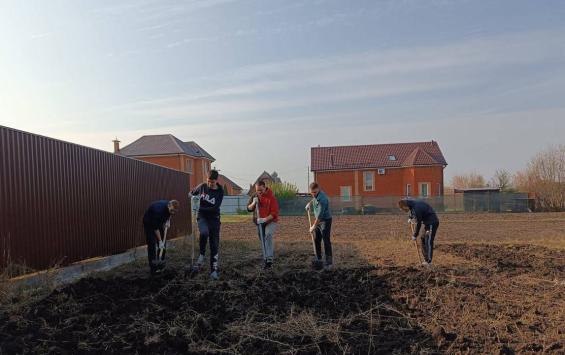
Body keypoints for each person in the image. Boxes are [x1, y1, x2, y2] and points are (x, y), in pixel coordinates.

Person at [190, 170, 224, 280]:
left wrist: (199, 207)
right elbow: (191, 193)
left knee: (214, 244)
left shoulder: (220, 191)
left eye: (212, 182)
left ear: (216, 181)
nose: (209, 184)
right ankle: (202, 255)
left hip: (214, 218)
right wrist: (193, 198)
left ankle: (214, 271)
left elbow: (215, 207)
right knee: (204, 233)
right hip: (202, 217)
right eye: (208, 181)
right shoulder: (202, 186)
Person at [247, 180, 279, 269]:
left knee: (268, 235)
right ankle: (265, 257)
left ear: (265, 188)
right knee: (263, 239)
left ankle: (269, 260)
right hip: (259, 222)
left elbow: (274, 213)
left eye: (261, 190)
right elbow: (248, 208)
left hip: (270, 221)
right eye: (257, 190)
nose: (259, 192)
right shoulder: (255, 196)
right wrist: (253, 203)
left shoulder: (271, 197)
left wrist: (264, 219)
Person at [398, 198, 440, 266]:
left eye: (403, 209)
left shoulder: (416, 208)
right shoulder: (411, 204)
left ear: (405, 206)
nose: (404, 210)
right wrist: (410, 217)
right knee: (423, 239)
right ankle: (426, 260)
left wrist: (415, 235)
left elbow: (418, 223)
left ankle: (429, 261)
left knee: (428, 241)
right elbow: (412, 212)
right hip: (427, 224)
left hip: (432, 223)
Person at [143, 199, 179, 274]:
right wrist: (160, 241)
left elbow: (170, 213)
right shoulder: (158, 211)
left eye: (174, 212)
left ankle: (160, 263)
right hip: (149, 223)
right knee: (152, 244)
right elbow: (155, 229)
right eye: (172, 210)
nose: (172, 212)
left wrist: (168, 221)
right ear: (169, 206)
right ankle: (153, 268)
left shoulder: (170, 205)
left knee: (163, 244)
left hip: (158, 221)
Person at [306, 182, 333, 270]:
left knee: (326, 240)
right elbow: (314, 199)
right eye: (312, 192)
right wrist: (309, 204)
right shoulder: (316, 196)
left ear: (318, 189)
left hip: (325, 220)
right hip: (319, 220)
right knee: (316, 239)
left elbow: (320, 216)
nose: (313, 194)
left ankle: (329, 262)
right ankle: (319, 258)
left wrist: (313, 226)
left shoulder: (323, 200)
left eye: (315, 192)